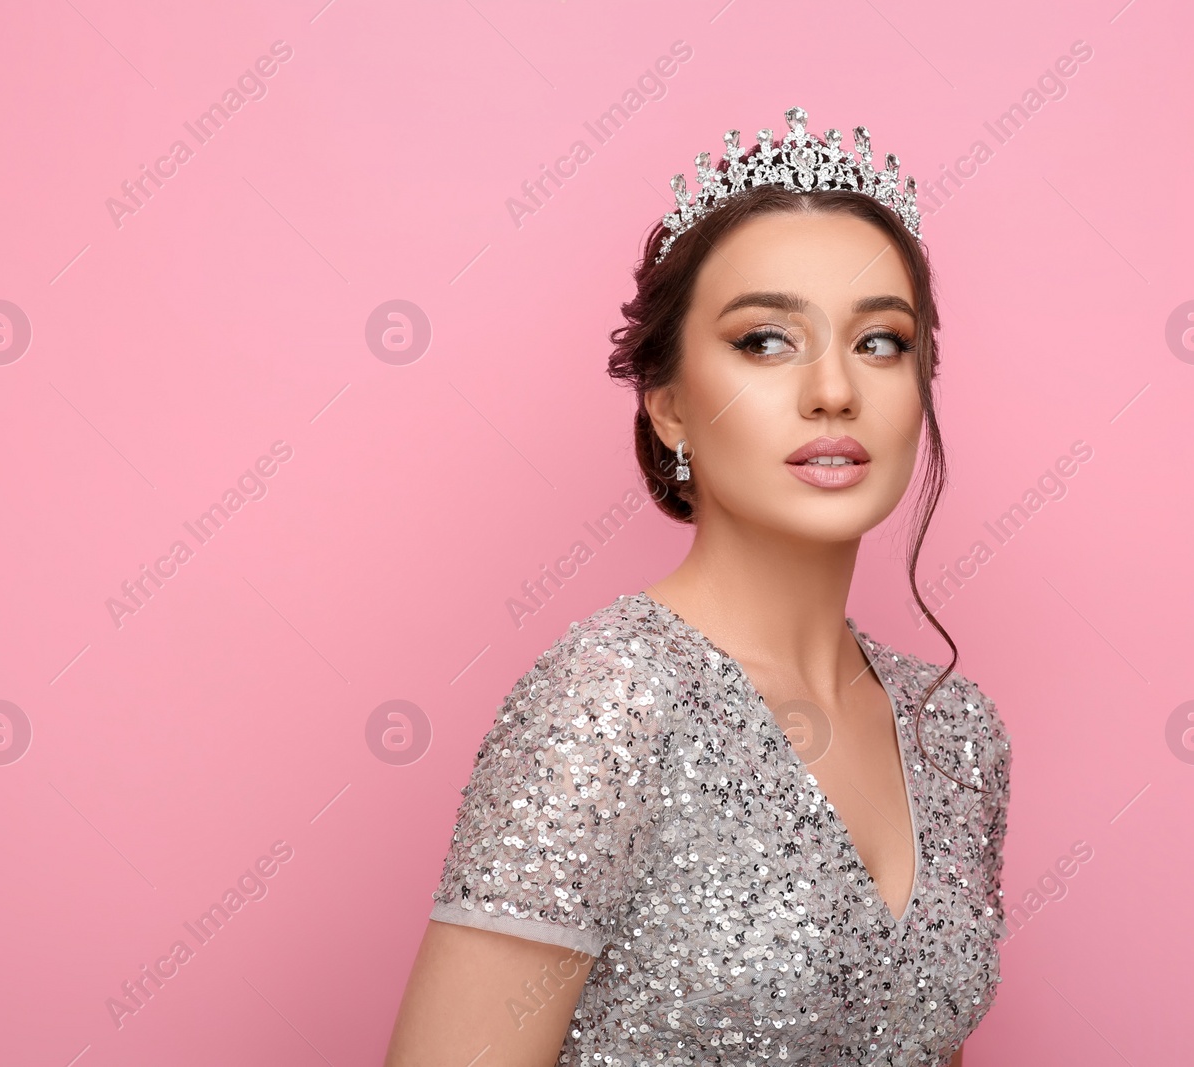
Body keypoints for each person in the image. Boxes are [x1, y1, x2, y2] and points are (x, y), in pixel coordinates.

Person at [385, 107, 1012, 1067]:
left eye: (881, 341)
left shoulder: (958, 732)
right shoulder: (612, 701)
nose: (835, 389)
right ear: (670, 405)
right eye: (766, 341)